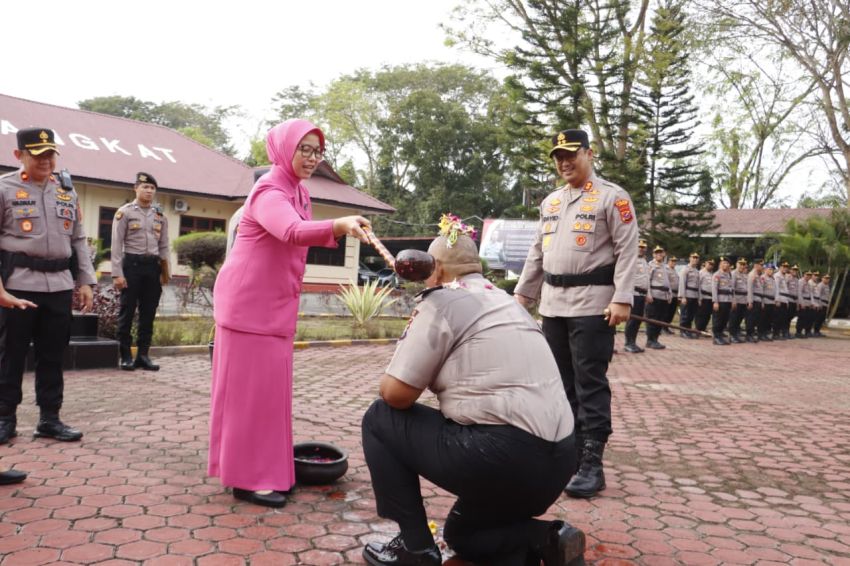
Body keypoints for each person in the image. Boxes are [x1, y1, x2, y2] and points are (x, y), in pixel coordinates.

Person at [361, 223, 584, 566]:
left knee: (379, 419)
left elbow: (396, 394)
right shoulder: (509, 304)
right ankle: (547, 539)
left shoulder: (442, 300)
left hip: (502, 456)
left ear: (436, 269)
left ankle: (414, 549)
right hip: (560, 461)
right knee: (464, 535)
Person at [208, 119, 370, 508]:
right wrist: (340, 224)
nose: (312, 158)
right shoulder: (269, 190)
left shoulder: (298, 191)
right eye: (305, 149)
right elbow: (293, 232)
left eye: (318, 151)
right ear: (284, 149)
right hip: (249, 310)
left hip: (273, 307)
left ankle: (265, 470)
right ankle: (246, 479)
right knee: (250, 398)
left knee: (269, 397)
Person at [514, 129, 638, 499]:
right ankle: (571, 455)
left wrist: (623, 298)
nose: (564, 162)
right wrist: (523, 295)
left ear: (589, 153)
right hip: (553, 305)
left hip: (593, 305)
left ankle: (592, 464)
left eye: (571, 154)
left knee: (589, 382)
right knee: (561, 383)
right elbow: (537, 252)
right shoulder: (551, 202)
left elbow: (628, 250)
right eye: (559, 157)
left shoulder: (612, 198)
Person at [0, 127, 96, 445]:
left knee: (53, 355)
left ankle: (50, 419)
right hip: (17, 286)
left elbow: (78, 239)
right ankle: (5, 417)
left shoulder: (67, 191)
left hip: (59, 286)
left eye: (50, 154)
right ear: (19, 155)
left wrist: (85, 281)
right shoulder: (4, 188)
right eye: (38, 154)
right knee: (10, 354)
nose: (46, 160)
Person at [111, 173, 170, 371]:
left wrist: (165, 272)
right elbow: (116, 244)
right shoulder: (125, 213)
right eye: (145, 187)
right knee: (127, 312)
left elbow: (164, 245)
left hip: (152, 268)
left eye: (152, 188)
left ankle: (143, 355)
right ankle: (126, 355)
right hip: (131, 266)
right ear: (135, 188)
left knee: (148, 313)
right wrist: (117, 274)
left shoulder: (160, 215)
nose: (149, 191)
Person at [623, 239, 649, 353]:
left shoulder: (644, 261)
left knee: (638, 320)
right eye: (639, 247)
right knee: (633, 319)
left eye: (643, 247)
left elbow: (646, 279)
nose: (641, 249)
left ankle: (633, 342)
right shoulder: (631, 259)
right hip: (634, 293)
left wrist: (648, 294)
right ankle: (628, 343)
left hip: (642, 294)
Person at [645, 245, 671, 350]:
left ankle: (655, 339)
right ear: (653, 255)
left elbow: (667, 282)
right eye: (657, 253)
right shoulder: (651, 266)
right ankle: (650, 340)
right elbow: (647, 281)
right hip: (654, 295)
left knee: (660, 319)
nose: (659, 254)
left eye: (660, 252)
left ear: (664, 254)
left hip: (663, 296)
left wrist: (669, 294)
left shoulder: (666, 267)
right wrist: (648, 294)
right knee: (652, 319)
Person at [678, 253, 701, 338]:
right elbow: (682, 283)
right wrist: (683, 296)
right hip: (687, 294)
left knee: (691, 315)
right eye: (693, 257)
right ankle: (683, 331)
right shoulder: (685, 269)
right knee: (685, 314)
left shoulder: (697, 271)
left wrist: (699, 298)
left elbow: (699, 286)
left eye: (697, 258)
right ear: (690, 258)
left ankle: (688, 330)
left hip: (694, 295)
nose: (695, 259)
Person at [712, 257, 733, 345]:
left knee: (725, 319)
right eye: (724, 263)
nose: (726, 265)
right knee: (719, 319)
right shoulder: (717, 275)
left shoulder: (729, 275)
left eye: (727, 263)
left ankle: (720, 335)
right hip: (720, 300)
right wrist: (715, 302)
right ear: (720, 264)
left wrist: (732, 300)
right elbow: (714, 289)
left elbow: (731, 289)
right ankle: (716, 337)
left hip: (728, 300)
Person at [728, 258, 749, 343]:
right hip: (736, 299)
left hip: (744, 299)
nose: (742, 266)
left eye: (744, 264)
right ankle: (732, 335)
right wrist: (733, 300)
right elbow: (731, 288)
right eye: (740, 264)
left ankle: (736, 334)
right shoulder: (733, 274)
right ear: (737, 264)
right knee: (734, 318)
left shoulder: (745, 275)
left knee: (740, 318)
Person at [694, 259, 715, 336]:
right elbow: (698, 286)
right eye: (709, 264)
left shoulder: (711, 274)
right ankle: (698, 330)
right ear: (705, 263)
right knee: (701, 315)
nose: (710, 266)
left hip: (710, 297)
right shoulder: (701, 273)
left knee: (707, 315)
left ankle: (703, 329)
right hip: (703, 297)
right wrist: (699, 298)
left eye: (712, 264)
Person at [745, 259, 764, 343]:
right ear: (756, 265)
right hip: (754, 299)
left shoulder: (758, 275)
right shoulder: (752, 275)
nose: (762, 266)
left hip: (758, 299)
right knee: (751, 318)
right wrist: (750, 301)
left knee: (755, 318)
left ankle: (752, 334)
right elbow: (749, 289)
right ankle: (749, 335)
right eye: (761, 265)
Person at [759, 263, 778, 341]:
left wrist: (776, 300)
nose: (771, 271)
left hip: (772, 301)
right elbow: (761, 290)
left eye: (772, 270)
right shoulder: (762, 278)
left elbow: (775, 290)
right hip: (765, 300)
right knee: (763, 319)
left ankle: (766, 333)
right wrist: (762, 302)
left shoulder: (773, 279)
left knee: (769, 319)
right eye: (769, 269)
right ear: (765, 270)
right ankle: (761, 334)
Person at [774, 262, 791, 340]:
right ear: (780, 267)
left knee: (783, 318)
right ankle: (776, 334)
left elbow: (786, 289)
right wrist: (777, 299)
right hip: (780, 298)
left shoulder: (785, 276)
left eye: (786, 267)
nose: (785, 268)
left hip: (784, 299)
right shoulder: (777, 276)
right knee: (778, 317)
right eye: (783, 267)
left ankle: (779, 333)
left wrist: (787, 301)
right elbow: (776, 288)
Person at [795, 271, 814, 338]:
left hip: (808, 302)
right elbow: (799, 293)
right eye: (807, 275)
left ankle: (802, 332)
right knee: (801, 317)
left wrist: (811, 303)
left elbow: (810, 294)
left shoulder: (808, 283)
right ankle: (798, 332)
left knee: (806, 318)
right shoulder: (801, 281)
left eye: (810, 275)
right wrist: (801, 303)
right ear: (804, 275)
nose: (808, 276)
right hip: (803, 302)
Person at [663, 255, 679, 333]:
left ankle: (667, 326)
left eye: (674, 261)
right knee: (666, 311)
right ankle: (663, 327)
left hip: (675, 294)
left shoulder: (675, 271)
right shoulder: (666, 270)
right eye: (672, 261)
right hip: (669, 293)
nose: (673, 263)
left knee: (672, 312)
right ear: (668, 262)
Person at [786, 265, 800, 338]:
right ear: (790, 270)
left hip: (794, 300)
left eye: (796, 270)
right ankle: (785, 331)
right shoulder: (787, 278)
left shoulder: (797, 280)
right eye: (793, 270)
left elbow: (797, 292)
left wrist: (797, 303)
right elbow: (785, 289)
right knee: (787, 317)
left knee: (791, 316)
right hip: (789, 299)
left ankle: (787, 331)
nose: (795, 271)